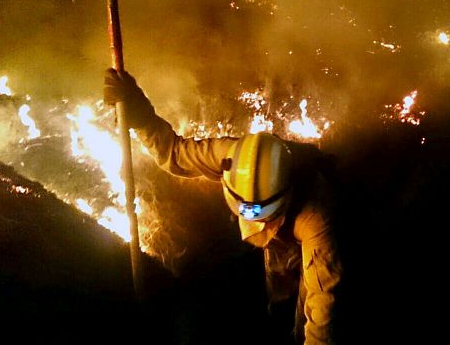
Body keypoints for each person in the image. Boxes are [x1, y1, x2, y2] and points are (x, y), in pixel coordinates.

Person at [104, 69, 343, 345]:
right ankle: (278, 323)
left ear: (285, 196)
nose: (251, 217)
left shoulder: (317, 219)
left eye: (259, 212)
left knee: (307, 309)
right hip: (280, 228)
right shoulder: (233, 157)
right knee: (279, 290)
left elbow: (325, 312)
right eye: (246, 210)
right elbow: (174, 152)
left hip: (308, 230)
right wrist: (139, 112)